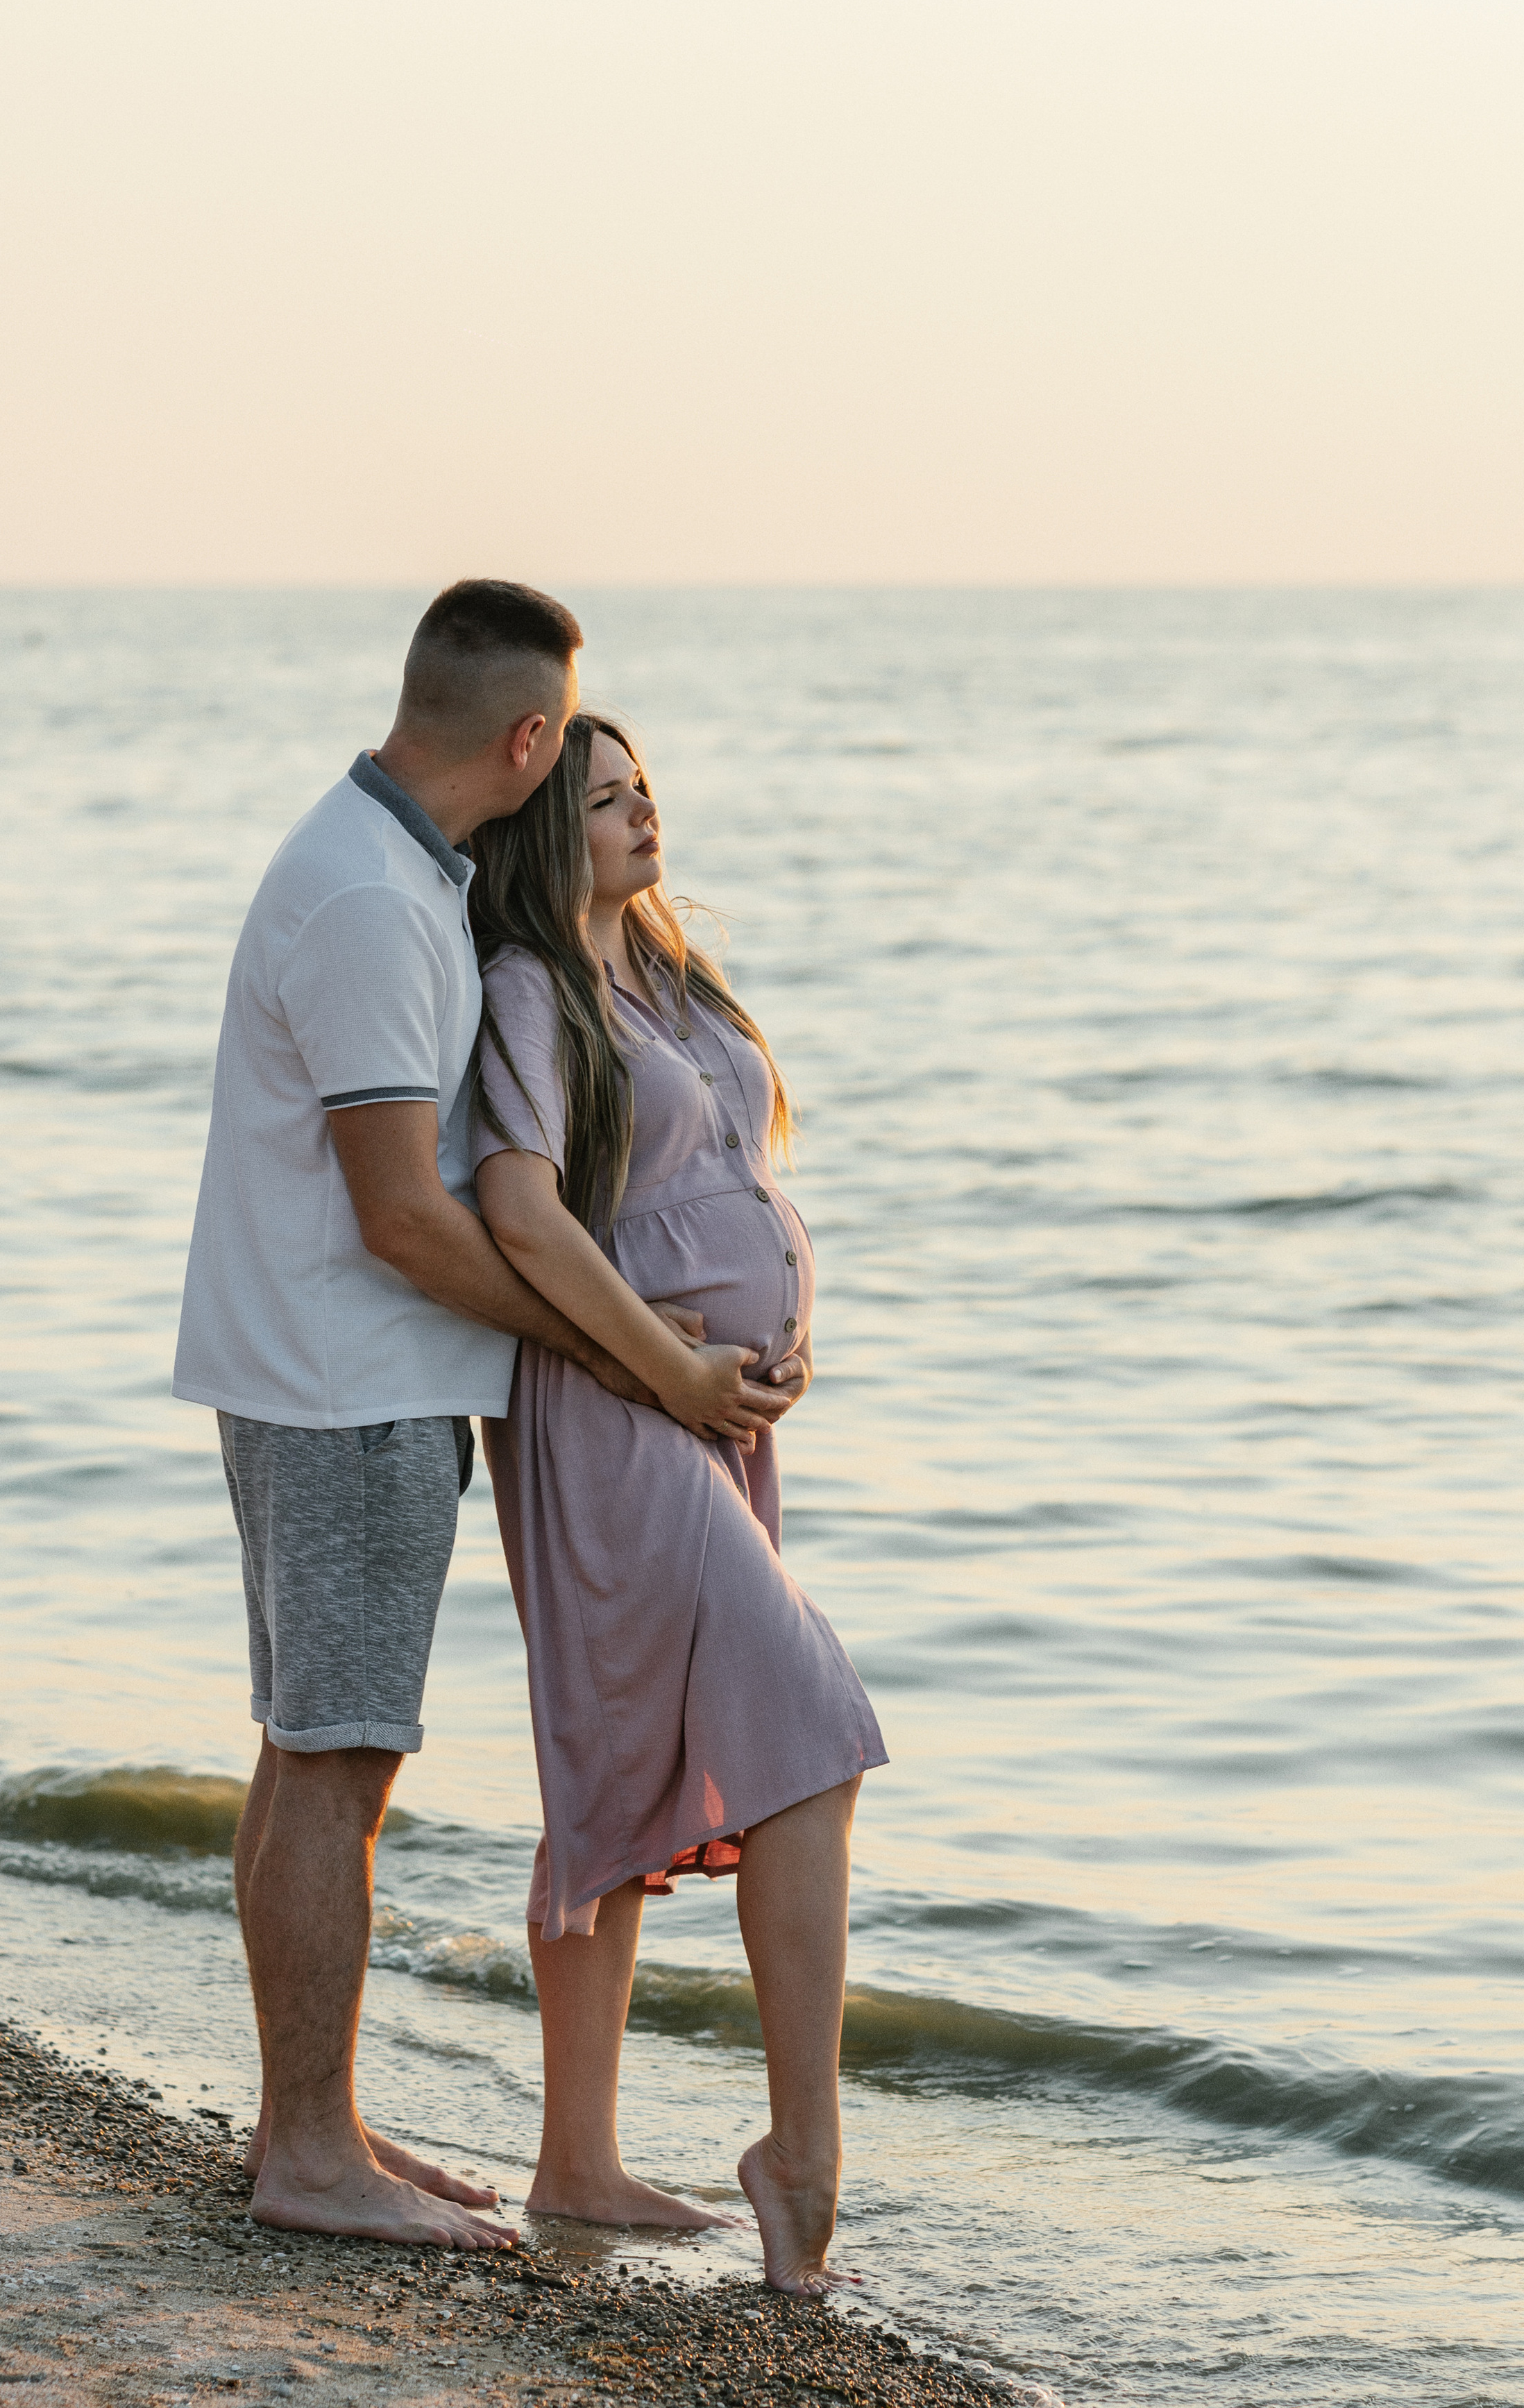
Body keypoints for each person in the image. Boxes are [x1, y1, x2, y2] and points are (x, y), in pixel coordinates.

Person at [172, 584, 798, 2246]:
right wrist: (630, 1361)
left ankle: (312, 2129)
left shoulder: (390, 874)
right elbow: (408, 1219)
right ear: (528, 741)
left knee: (312, 1746)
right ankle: (310, 2155)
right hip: (344, 1387)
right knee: (339, 1756)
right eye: (573, 747)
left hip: (331, 1379)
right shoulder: (375, 906)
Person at [469, 711, 888, 2296]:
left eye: (647, 786)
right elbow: (517, 1211)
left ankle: (574, 2161)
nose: (642, 813)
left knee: (618, 1756)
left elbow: (732, 1187)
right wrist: (673, 1367)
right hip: (608, 1402)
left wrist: (775, 1342)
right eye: (601, 799)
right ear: (534, 828)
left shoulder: (667, 977)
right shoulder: (526, 990)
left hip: (712, 1418)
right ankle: (801, 2150)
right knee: (812, 1721)